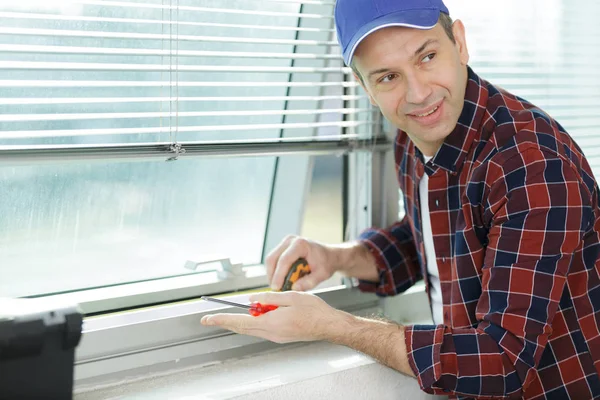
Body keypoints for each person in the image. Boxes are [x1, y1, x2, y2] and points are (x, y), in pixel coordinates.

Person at [201, 0, 600, 398]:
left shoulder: (531, 165)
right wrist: (336, 257)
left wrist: (332, 326)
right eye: (388, 77)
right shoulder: (415, 137)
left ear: (459, 42)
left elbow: (502, 362)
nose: (418, 93)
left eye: (426, 57)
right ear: (366, 89)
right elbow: (433, 239)